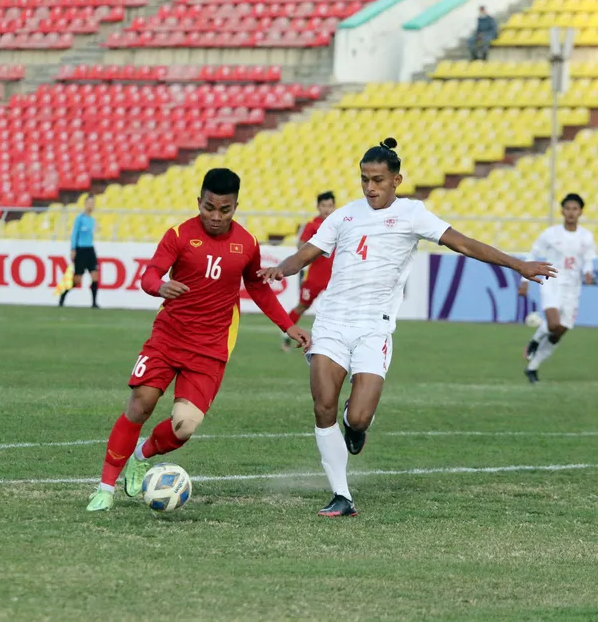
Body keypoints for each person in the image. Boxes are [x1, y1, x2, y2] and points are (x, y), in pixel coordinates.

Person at [258, 138, 556, 518]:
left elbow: (462, 243)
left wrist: (519, 264)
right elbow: (307, 253)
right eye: (365, 179)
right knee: (322, 406)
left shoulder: (413, 214)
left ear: (397, 180)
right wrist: (280, 269)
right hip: (331, 321)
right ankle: (342, 495)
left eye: (378, 180)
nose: (370, 188)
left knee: (359, 418)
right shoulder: (345, 215)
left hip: (374, 328)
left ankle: (355, 424)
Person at [86, 168, 311, 512]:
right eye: (209, 208)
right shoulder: (179, 235)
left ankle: (139, 455)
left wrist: (287, 325)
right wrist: (158, 286)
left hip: (209, 349)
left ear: (236, 206)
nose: (216, 217)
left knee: (184, 427)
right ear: (199, 202)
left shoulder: (247, 244)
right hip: (168, 337)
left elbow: (257, 288)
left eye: (225, 210)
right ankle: (104, 488)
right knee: (140, 403)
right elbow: (149, 274)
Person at [519, 194, 595, 383]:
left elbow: (587, 260)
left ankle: (532, 367)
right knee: (552, 324)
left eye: (575, 209)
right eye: (568, 209)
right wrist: (525, 280)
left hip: (573, 287)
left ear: (580, 212)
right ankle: (535, 340)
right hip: (552, 281)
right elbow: (533, 253)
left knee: (560, 331)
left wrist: (588, 273)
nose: (571, 212)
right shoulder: (551, 234)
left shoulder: (586, 236)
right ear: (562, 211)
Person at [282, 191, 336, 351]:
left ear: (334, 207)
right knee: (302, 307)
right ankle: (286, 335)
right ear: (318, 207)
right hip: (314, 278)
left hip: (334, 278)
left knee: (335, 311)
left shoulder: (338, 224)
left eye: (330, 205)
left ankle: (332, 345)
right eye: (323, 205)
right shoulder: (312, 226)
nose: (326, 209)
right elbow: (300, 246)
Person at [59, 195, 100, 308]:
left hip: (90, 250)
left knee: (95, 276)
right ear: (85, 204)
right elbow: (75, 234)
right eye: (89, 203)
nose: (91, 205)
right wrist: (73, 249)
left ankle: (94, 303)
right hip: (80, 249)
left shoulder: (92, 220)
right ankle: (63, 295)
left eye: (93, 203)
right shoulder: (79, 219)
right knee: (77, 279)